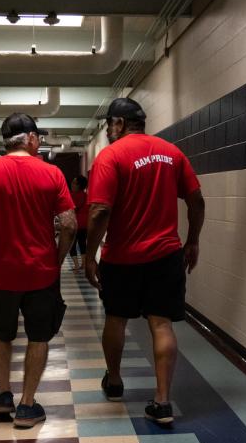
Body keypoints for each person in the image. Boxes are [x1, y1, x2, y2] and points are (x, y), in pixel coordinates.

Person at [85, 98, 205, 424]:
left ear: (119, 124)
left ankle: (114, 380)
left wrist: (88, 255)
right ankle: (162, 401)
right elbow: (196, 200)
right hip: (166, 255)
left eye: (110, 125)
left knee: (116, 318)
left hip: (122, 257)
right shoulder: (172, 153)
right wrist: (192, 240)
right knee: (161, 323)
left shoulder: (110, 156)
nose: (109, 132)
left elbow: (99, 211)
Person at [0, 113, 76, 428]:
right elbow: (69, 223)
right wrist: (56, 256)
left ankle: (2, 395)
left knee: (1, 331)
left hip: (3, 273)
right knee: (39, 336)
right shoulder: (52, 174)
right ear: (32, 139)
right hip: (42, 273)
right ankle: (27, 406)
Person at [68, 175, 89, 272]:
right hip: (85, 224)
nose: (71, 184)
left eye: (74, 183)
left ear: (78, 185)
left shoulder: (71, 195)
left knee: (71, 245)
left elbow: (70, 209)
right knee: (82, 244)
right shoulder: (87, 196)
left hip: (74, 224)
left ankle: (76, 266)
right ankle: (83, 265)